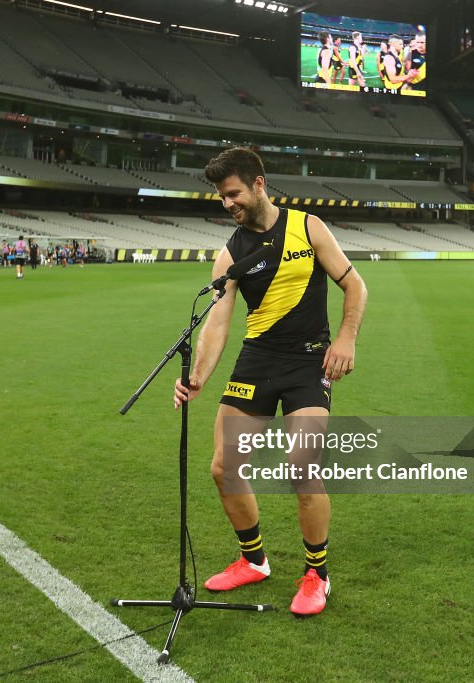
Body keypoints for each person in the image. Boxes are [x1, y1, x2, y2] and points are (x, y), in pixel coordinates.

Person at [172, 147, 366, 616]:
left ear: (259, 184)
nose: (227, 203)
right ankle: (254, 560)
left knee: (303, 466)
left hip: (307, 364)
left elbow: (355, 285)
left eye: (233, 193)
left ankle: (317, 574)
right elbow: (218, 323)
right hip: (257, 362)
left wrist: (345, 339)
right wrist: (199, 375)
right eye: (221, 197)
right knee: (223, 468)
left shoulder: (308, 227)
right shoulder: (231, 253)